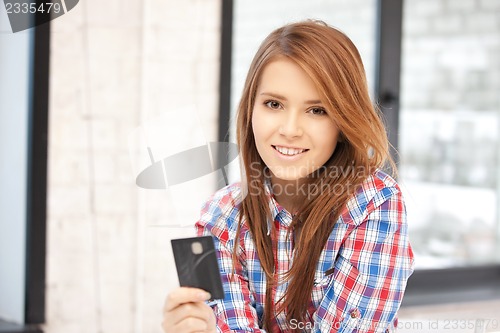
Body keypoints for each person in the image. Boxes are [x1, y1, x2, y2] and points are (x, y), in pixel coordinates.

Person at [162, 20, 414, 333]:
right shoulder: (220, 217)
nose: (290, 129)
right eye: (273, 104)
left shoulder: (374, 204)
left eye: (317, 110)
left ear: (344, 122)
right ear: (251, 109)